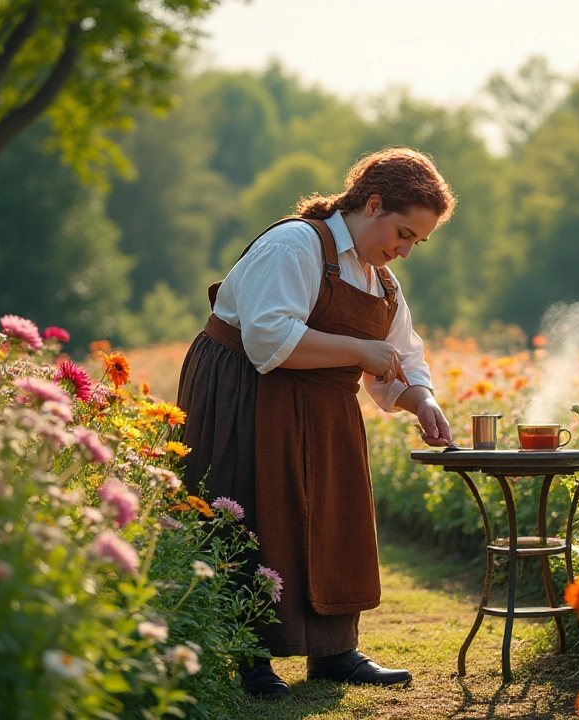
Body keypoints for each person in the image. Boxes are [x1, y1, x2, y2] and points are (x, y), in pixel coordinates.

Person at [175, 147, 456, 697]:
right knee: (251, 510)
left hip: (323, 403)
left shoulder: (383, 283)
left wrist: (421, 400)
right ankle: (246, 656)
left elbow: (400, 356)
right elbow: (267, 339)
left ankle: (334, 652)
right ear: (372, 203)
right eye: (401, 234)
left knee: (332, 513)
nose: (402, 251)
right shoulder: (295, 245)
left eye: (414, 243)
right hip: (246, 391)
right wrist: (359, 350)